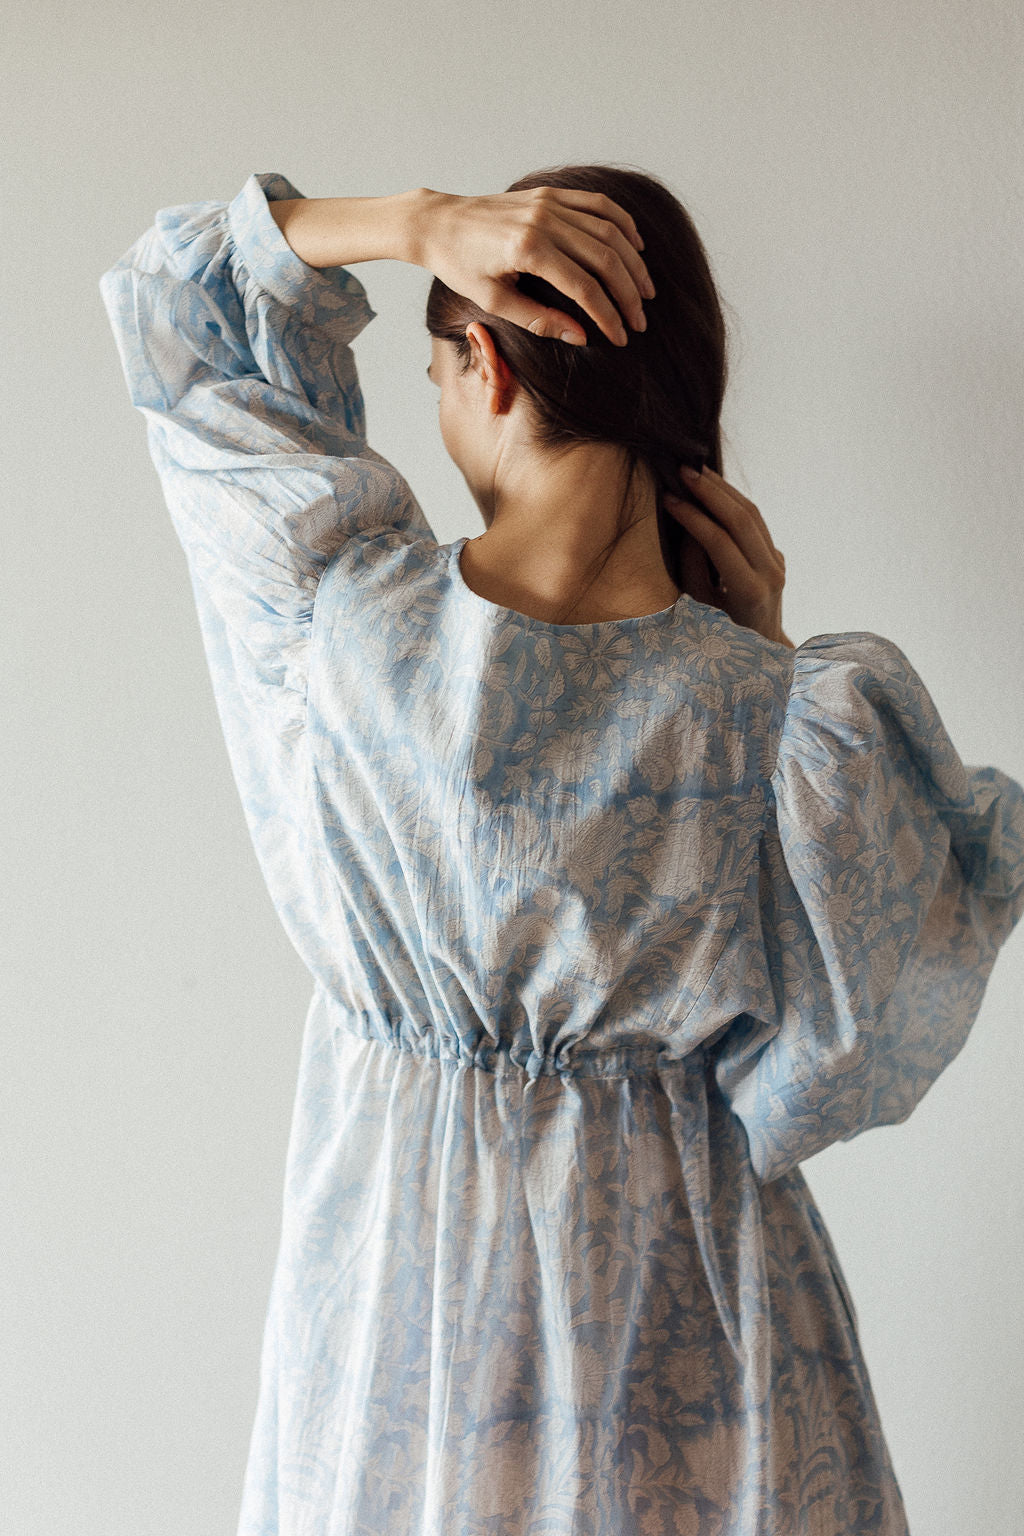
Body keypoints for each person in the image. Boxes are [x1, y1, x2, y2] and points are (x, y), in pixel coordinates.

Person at [99, 164, 1024, 1536]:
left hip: (407, 1323)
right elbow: (837, 1069)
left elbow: (181, 300)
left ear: (482, 362)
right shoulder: (786, 718)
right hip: (704, 1331)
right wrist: (767, 658)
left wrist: (416, 225)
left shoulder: (334, 613)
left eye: (437, 370)